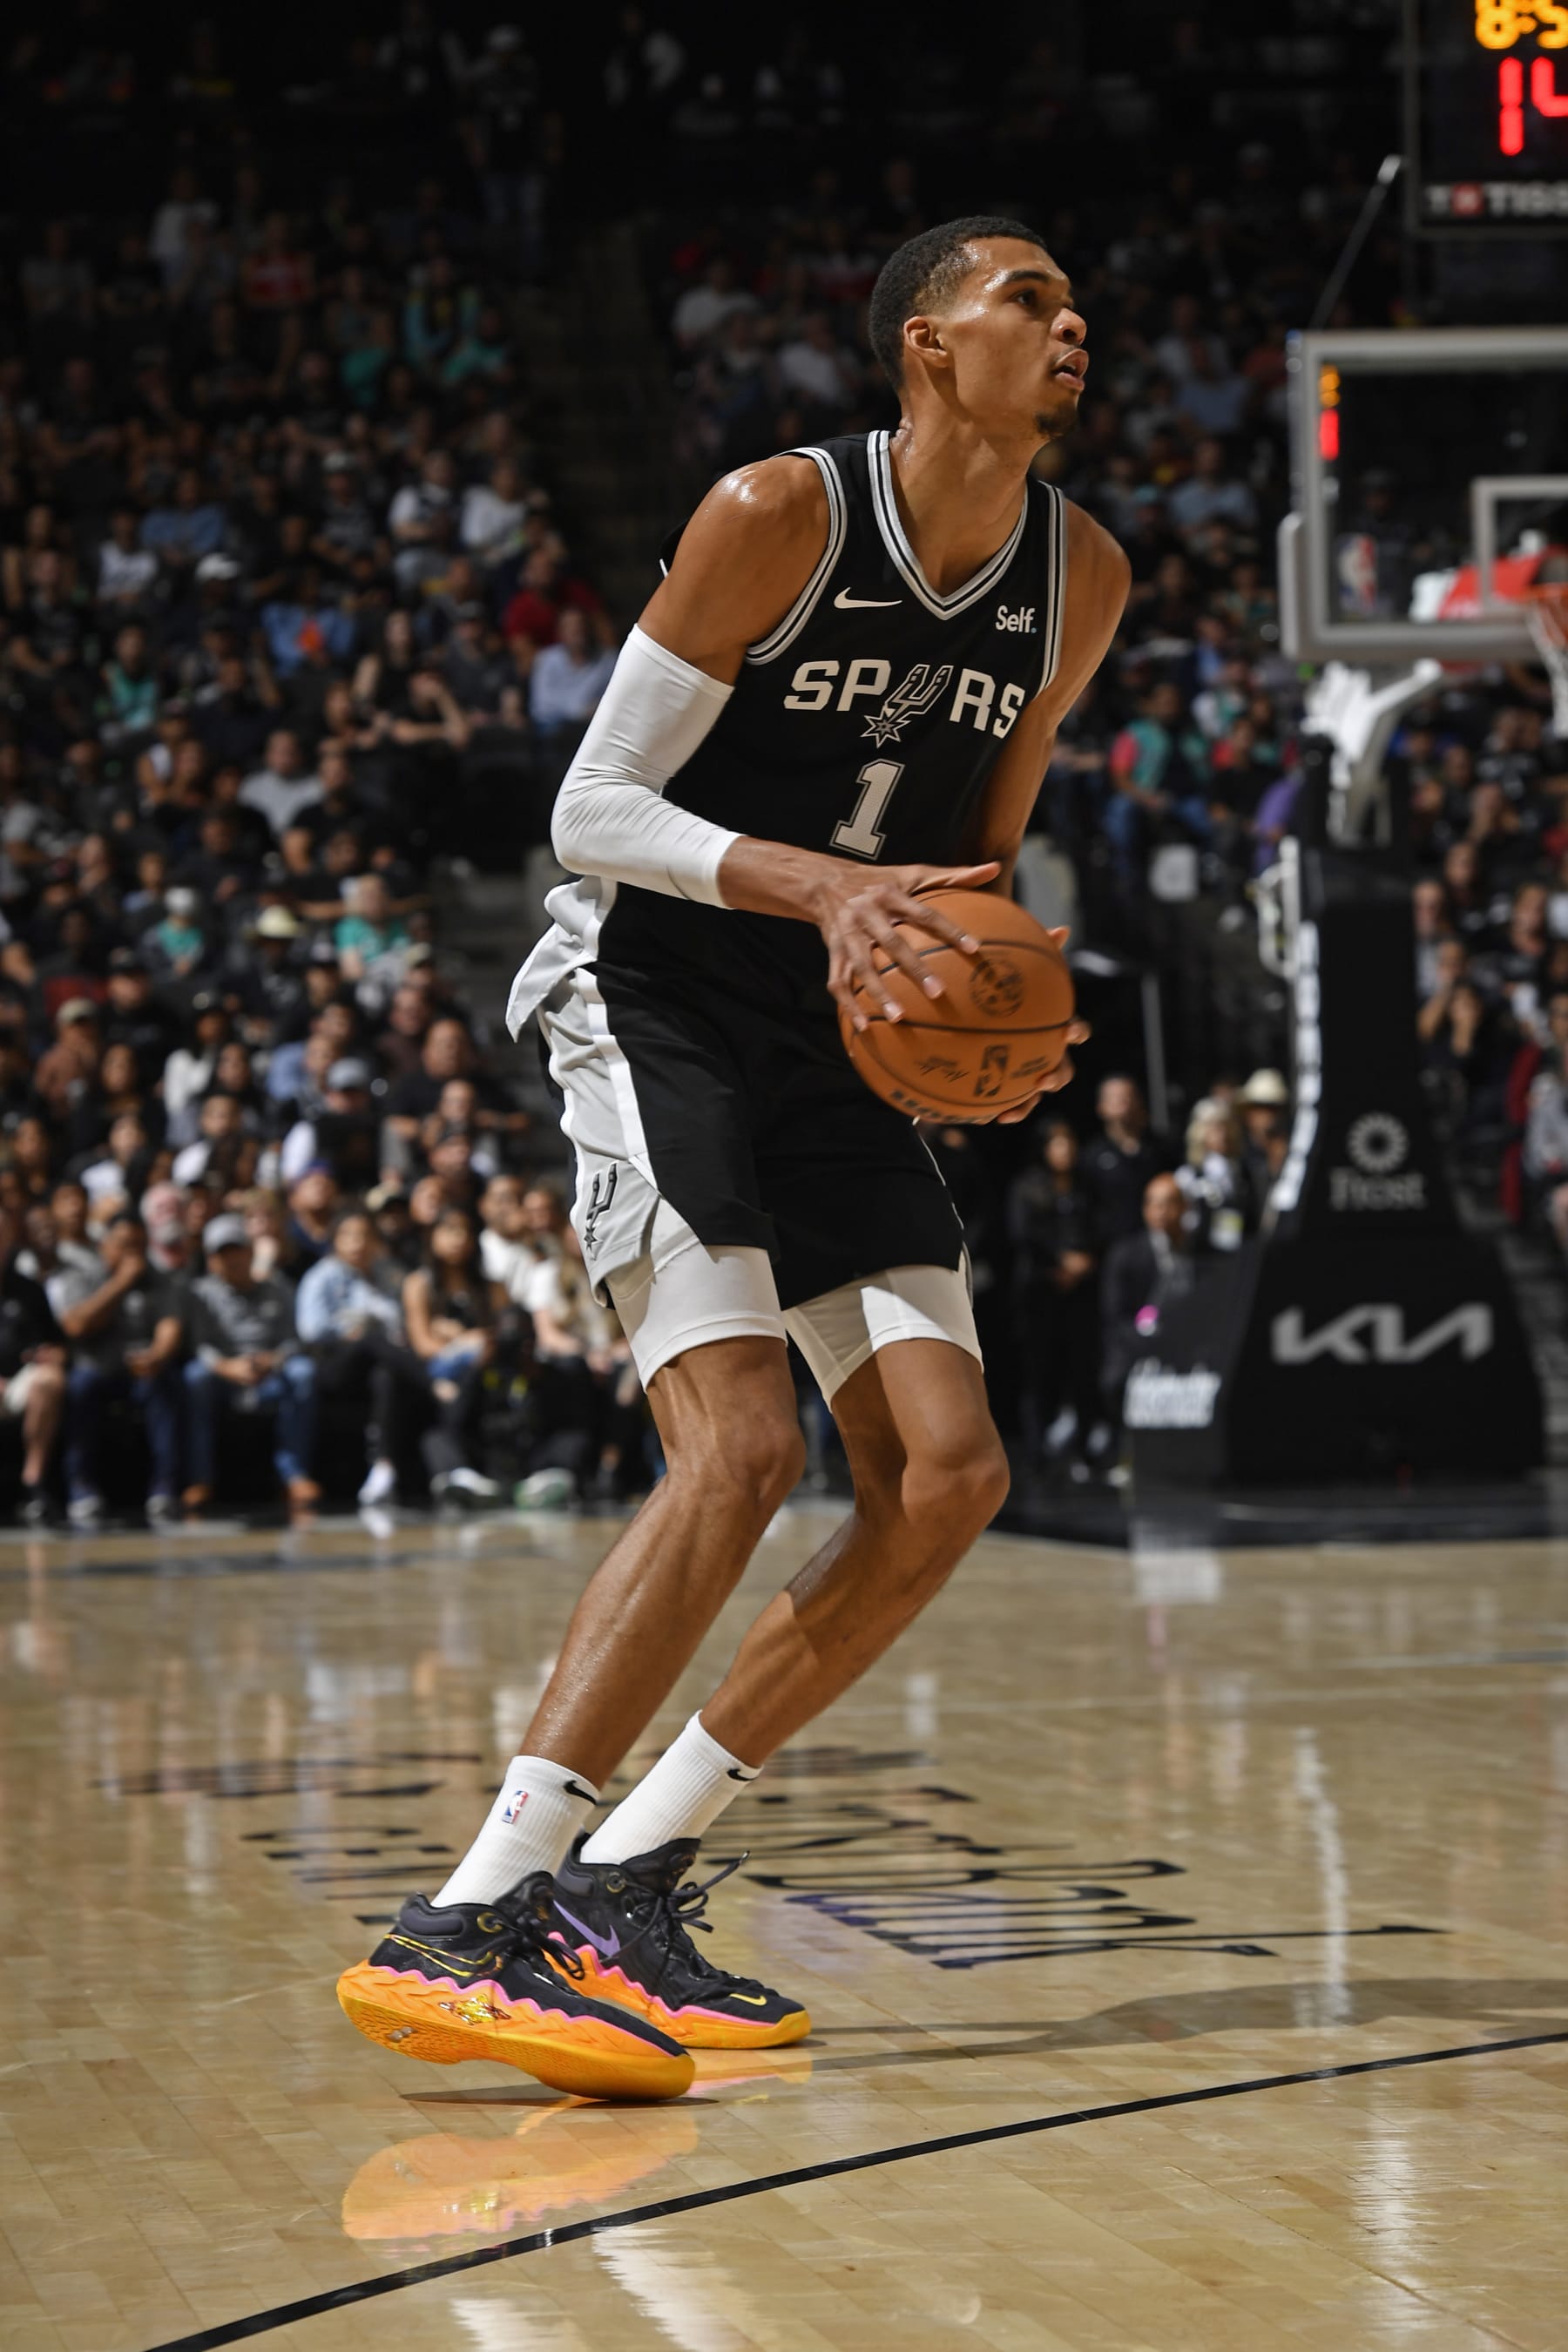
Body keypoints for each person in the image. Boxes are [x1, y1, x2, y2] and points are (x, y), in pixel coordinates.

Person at [337, 216, 1122, 2099]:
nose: (1071, 323)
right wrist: (832, 894)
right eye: (1029, 301)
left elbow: (984, 855)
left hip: (838, 1030)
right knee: (743, 1443)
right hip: (658, 991)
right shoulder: (778, 511)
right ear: (928, 345)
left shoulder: (1076, 576)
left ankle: (628, 1877)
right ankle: (469, 1911)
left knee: (946, 1472)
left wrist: (974, 1012)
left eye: (1074, 304)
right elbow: (589, 807)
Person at [183, 1213, 320, 1519]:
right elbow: (200, 1347)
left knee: (303, 1372)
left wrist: (273, 1360)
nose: (232, 1259)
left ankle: (294, 1475)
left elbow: (293, 1340)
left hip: (270, 1371)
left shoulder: (278, 1287)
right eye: (223, 1253)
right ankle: (200, 1479)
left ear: (250, 1251)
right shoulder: (201, 1294)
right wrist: (227, 1367)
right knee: (195, 1377)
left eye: (237, 1250)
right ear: (211, 1259)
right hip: (224, 1375)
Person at [55, 1213, 184, 1526]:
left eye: (139, 1246)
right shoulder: (80, 1276)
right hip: (96, 1372)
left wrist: (157, 1355)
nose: (133, 1254)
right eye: (124, 1245)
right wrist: (121, 1282)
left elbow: (171, 1325)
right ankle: (81, 1487)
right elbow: (76, 1325)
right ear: (104, 1246)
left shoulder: (160, 1278)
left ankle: (163, 1488)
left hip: (141, 1371)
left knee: (164, 1384)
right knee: (80, 1387)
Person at [294, 1207, 420, 1507]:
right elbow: (310, 1330)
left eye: (364, 1235)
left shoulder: (385, 1275)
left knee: (385, 1377)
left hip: (377, 1364)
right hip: (335, 1364)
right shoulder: (321, 1277)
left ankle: (383, 1468)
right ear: (334, 1240)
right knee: (371, 1339)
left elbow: (397, 1323)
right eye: (348, 1235)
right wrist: (350, 1328)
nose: (357, 1243)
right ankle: (431, 1381)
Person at [1006, 1119, 1102, 1469]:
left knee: (1082, 1371)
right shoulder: (1028, 1186)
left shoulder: (1085, 1186)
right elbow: (1023, 1233)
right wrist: (1060, 1262)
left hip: (1081, 1291)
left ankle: (1084, 1447)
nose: (1066, 1151)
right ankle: (1037, 1452)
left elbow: (1100, 1226)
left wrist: (1084, 1262)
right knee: (1040, 1372)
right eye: (1058, 1144)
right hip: (1041, 1291)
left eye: (1070, 1143)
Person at [400, 1206, 507, 1505]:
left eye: (464, 1231)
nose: (458, 1239)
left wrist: (463, 1339)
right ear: (432, 1237)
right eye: (449, 1230)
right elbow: (423, 1345)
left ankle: (457, 1474)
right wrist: (463, 1343)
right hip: (438, 1370)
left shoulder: (489, 1286)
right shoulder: (419, 1284)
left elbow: (500, 1335)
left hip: (482, 1368)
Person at [0, 1201, 67, 1524]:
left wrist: (53, 1354)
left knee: (50, 1378)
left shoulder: (28, 1290)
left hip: (19, 1383)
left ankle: (34, 1483)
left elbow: (57, 1344)